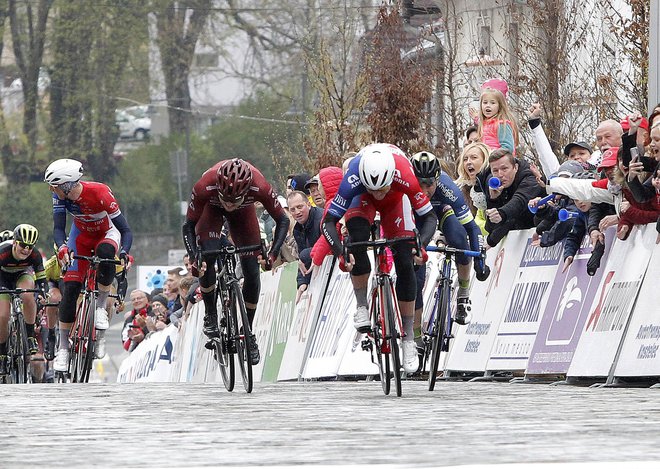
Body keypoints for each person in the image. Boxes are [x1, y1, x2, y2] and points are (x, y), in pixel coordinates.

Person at [322, 143, 438, 373]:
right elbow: (327, 222)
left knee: (405, 260)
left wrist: (420, 246)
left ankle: (407, 340)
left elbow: (430, 217)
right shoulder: (353, 177)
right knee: (357, 240)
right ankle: (362, 306)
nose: (378, 193)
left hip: (396, 200)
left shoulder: (405, 174)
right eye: (373, 188)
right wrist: (340, 252)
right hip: (360, 200)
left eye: (381, 188)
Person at [182, 158, 289, 365]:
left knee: (251, 270)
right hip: (210, 210)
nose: (229, 205)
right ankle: (211, 313)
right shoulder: (205, 185)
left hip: (244, 213)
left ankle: (247, 332)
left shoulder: (260, 186)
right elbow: (188, 226)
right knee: (207, 256)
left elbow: (283, 220)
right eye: (226, 199)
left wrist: (273, 253)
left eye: (234, 201)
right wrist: (196, 256)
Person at [44, 158, 133, 371]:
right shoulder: (60, 197)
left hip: (107, 233)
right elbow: (58, 229)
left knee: (105, 253)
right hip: (81, 236)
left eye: (54, 186)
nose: (51, 189)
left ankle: (101, 306)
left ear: (66, 185)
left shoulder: (100, 193)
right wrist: (63, 247)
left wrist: (124, 252)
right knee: (72, 288)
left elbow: (125, 230)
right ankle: (64, 348)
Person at [410, 151, 489, 328]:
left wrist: (479, 262)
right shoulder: (405, 188)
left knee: (458, 240)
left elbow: (472, 227)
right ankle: (415, 337)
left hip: (442, 210)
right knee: (416, 279)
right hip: (417, 218)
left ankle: (463, 296)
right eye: (419, 184)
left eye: (429, 184)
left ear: (437, 179)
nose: (424, 190)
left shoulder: (448, 189)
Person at [0, 224, 48, 375]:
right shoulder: (3, 252)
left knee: (28, 294)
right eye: (22, 245)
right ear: (15, 242)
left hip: (22, 275)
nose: (26, 250)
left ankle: (30, 336)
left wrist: (43, 292)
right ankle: (2, 353)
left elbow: (41, 279)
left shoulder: (34, 255)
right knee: (3, 315)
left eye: (30, 246)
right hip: (2, 279)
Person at [477, 148, 546, 248]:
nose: (500, 175)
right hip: (518, 241)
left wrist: (501, 214)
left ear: (515, 167)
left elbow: (519, 201)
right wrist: (493, 200)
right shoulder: (494, 184)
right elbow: (490, 227)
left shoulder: (529, 176)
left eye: (504, 169)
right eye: (495, 171)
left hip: (538, 232)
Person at [287, 190, 323, 303]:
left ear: (308, 204)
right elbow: (303, 263)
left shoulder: (321, 218)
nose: (297, 212)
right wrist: (302, 282)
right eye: (293, 209)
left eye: (300, 207)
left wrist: (304, 255)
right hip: (317, 276)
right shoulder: (297, 229)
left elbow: (329, 247)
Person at [455, 142, 491, 234]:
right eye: (465, 159)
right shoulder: (459, 192)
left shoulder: (494, 185)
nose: (468, 162)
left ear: (485, 160)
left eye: (474, 157)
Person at [477, 78, 519, 154]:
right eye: (485, 102)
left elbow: (508, 148)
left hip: (498, 162)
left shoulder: (502, 124)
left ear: (500, 106)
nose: (488, 106)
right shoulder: (484, 124)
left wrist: (492, 154)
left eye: (492, 103)